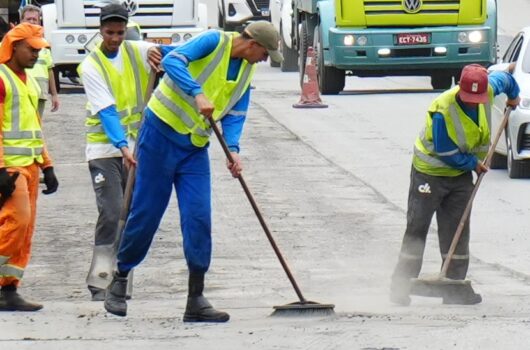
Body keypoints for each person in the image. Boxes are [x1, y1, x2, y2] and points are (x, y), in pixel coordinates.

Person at [103, 21, 283, 321]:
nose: (264, 60)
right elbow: (174, 60)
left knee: (198, 217)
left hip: (194, 148)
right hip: (159, 136)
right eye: (265, 54)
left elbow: (237, 112)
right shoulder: (213, 41)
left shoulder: (247, 70)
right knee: (147, 213)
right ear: (251, 43)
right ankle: (119, 279)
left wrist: (233, 149)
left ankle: (196, 298)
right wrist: (197, 93)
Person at [390, 64, 520, 306]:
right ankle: (400, 286)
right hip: (430, 174)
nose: (473, 103)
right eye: (469, 99)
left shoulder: (489, 88)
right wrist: (473, 163)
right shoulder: (443, 109)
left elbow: (507, 80)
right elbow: (444, 149)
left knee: (457, 229)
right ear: (459, 88)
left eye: (477, 99)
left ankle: (454, 287)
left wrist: (514, 97)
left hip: (459, 177)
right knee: (417, 227)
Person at [77, 3, 161, 301]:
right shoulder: (90, 66)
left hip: (135, 148)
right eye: (110, 32)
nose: (115, 38)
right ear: (100, 31)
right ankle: (100, 281)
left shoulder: (135, 50)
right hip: (104, 149)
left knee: (132, 216)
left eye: (120, 32)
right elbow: (108, 112)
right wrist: (123, 147)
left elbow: (175, 50)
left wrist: (160, 55)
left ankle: (121, 281)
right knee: (112, 213)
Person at [0, 23, 59, 312]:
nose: (37, 54)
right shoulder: (2, 79)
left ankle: (8, 289)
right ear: (14, 47)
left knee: (25, 231)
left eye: (39, 50)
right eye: (32, 49)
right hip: (11, 168)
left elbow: (33, 126)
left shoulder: (27, 80)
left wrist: (47, 165)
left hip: (30, 167)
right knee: (17, 223)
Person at [19, 4, 59, 117]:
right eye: (28, 19)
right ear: (21, 21)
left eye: (34, 19)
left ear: (39, 22)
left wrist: (54, 95)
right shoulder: (13, 43)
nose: (31, 22)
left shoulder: (44, 46)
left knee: (36, 126)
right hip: (20, 92)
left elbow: (50, 70)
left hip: (40, 94)